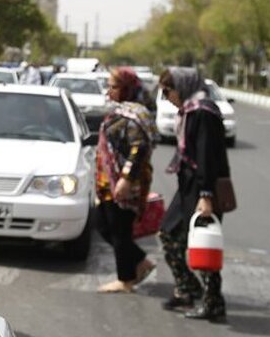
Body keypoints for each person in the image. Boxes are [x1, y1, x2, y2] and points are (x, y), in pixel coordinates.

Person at [159, 66, 230, 321]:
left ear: (182, 87)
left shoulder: (203, 113)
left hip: (203, 189)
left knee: (204, 241)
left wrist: (206, 195)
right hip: (188, 187)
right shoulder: (189, 110)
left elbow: (207, 157)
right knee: (168, 234)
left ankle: (214, 302)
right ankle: (187, 288)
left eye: (168, 91)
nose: (167, 97)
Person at [96, 67, 157, 294]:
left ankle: (126, 279)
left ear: (126, 89)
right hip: (108, 183)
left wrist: (125, 179)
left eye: (113, 86)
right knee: (102, 225)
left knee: (119, 231)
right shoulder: (122, 110)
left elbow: (139, 148)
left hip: (124, 184)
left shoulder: (135, 114)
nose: (109, 91)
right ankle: (140, 262)